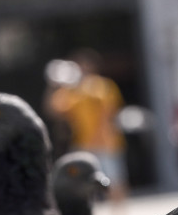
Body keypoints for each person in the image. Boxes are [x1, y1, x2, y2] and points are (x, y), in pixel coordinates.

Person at [45, 49, 128, 201]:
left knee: (115, 179)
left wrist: (98, 136)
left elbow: (109, 112)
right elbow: (54, 110)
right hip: (83, 143)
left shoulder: (104, 86)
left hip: (106, 142)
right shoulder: (73, 91)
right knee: (82, 182)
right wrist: (55, 85)